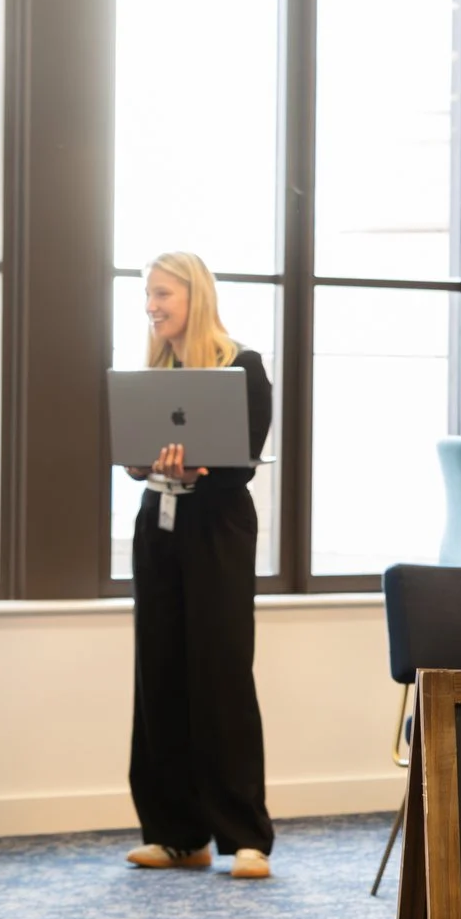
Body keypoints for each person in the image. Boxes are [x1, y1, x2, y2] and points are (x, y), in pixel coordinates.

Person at [123, 252, 276, 879]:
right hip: (158, 527)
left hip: (217, 527)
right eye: (148, 296)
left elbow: (242, 462)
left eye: (162, 294)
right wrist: (140, 463)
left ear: (195, 295)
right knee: (158, 675)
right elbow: (133, 453)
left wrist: (198, 471)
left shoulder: (244, 367)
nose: (153, 306)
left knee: (220, 675)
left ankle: (245, 836)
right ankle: (177, 835)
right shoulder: (151, 373)